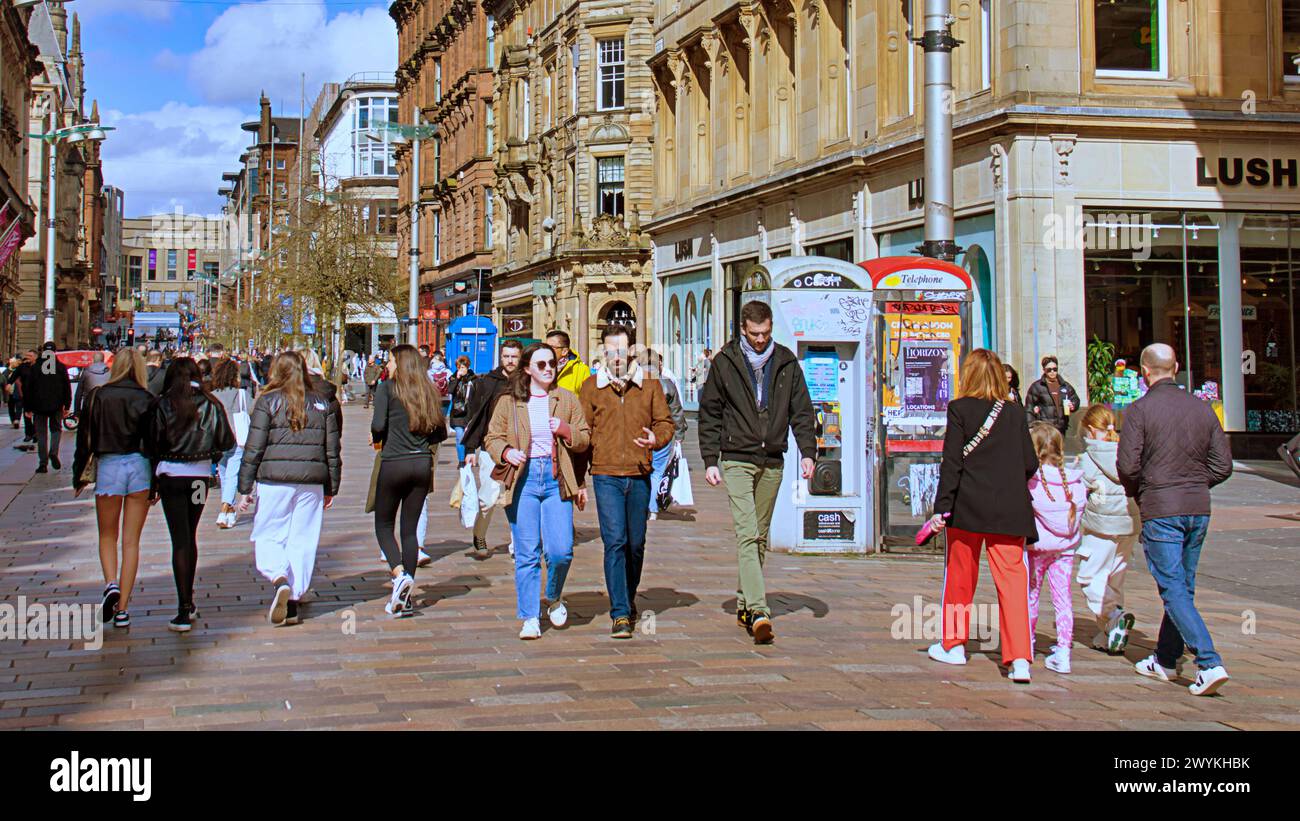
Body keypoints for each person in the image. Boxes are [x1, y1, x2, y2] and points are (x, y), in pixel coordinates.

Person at [697, 301, 817, 644]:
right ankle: (760, 611)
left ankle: (743, 602)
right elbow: (710, 413)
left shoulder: (786, 362)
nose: (761, 340)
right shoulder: (725, 362)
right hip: (736, 458)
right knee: (747, 532)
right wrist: (710, 459)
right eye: (754, 334)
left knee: (760, 536)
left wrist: (808, 452)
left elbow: (802, 410)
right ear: (742, 330)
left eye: (766, 333)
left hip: (773, 459)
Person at [1118, 342, 1233, 696]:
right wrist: (1195, 483)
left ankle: (1208, 662)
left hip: (1162, 507)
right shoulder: (1203, 410)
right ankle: (1166, 659)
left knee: (1173, 588)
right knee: (1182, 585)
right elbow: (1223, 466)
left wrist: (1146, 490)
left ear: (1144, 372)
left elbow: (1127, 466)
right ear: (1177, 367)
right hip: (1197, 506)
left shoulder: (1139, 410)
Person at [925, 349, 1038, 683]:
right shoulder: (1015, 413)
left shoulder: (959, 409)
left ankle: (954, 645)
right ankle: (1019, 659)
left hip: (968, 507)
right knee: (1013, 582)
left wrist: (941, 507)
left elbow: (952, 464)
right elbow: (1030, 462)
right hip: (1010, 509)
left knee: (960, 578)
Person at [485, 342, 590, 639]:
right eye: (541, 364)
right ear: (528, 369)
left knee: (561, 551)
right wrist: (506, 452)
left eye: (552, 364)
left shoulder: (566, 400)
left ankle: (553, 595)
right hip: (524, 479)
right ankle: (529, 615)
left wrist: (565, 429)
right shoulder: (510, 401)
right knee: (527, 553)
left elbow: (583, 438)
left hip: (556, 479)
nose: (548, 369)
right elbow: (491, 437)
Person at [579, 325, 674, 639]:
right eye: (609, 351)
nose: (615, 357)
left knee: (636, 544)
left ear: (631, 351)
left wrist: (655, 438)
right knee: (615, 541)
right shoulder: (592, 387)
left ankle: (628, 597)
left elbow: (665, 423)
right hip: (605, 474)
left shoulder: (649, 386)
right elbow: (583, 434)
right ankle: (620, 612)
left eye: (620, 351)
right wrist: (578, 480)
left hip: (639, 472)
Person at [238, 351, 341, 627]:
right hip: (311, 482)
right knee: (303, 539)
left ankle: (278, 577)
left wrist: (245, 484)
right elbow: (332, 449)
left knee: (269, 534)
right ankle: (293, 599)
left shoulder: (267, 401)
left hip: (274, 480)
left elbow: (254, 446)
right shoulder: (322, 403)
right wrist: (332, 484)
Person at [144, 357, 235, 632]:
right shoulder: (210, 403)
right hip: (198, 478)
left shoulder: (161, 404)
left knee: (179, 540)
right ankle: (188, 603)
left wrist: (152, 484)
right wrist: (211, 454)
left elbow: (151, 443)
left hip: (171, 476)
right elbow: (227, 442)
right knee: (190, 535)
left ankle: (184, 608)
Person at [72, 348, 154, 629]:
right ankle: (123, 609)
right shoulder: (147, 398)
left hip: (109, 466)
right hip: (140, 466)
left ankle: (110, 584)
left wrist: (78, 476)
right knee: (131, 541)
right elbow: (156, 443)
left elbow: (84, 439)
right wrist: (156, 484)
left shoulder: (98, 397)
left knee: (107, 535)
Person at [371, 344, 446, 617]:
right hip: (421, 463)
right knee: (409, 531)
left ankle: (399, 573)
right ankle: (407, 596)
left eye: (390, 360)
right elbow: (441, 433)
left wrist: (379, 437)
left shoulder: (387, 389)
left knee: (383, 524)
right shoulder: (428, 391)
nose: (388, 365)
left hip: (394, 462)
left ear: (400, 363)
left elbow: (378, 425)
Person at [1076, 403, 1140, 655]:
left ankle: (1114, 617)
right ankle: (1110, 633)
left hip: (1101, 526)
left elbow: (1078, 490)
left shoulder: (1089, 457)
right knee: (1114, 579)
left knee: (1090, 577)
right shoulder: (1128, 452)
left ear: (1091, 429)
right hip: (1128, 525)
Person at [1026, 421, 1086, 675]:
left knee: (1030, 597)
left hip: (1038, 549)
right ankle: (1063, 651)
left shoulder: (1033, 482)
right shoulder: (1075, 482)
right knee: (1063, 599)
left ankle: (1026, 645)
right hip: (1065, 549)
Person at [461, 339, 524, 558]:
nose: (509, 361)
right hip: (491, 447)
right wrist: (470, 449)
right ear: (501, 357)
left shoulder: (526, 381)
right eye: (506, 356)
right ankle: (479, 534)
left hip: (520, 450)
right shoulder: (488, 382)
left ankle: (518, 543)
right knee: (488, 499)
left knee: (516, 499)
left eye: (514, 356)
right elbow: (477, 417)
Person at [645, 348, 687, 522]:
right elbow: (676, 412)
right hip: (664, 434)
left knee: (644, 472)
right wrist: (679, 435)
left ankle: (644, 506)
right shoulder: (667, 384)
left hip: (642, 434)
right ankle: (652, 508)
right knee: (657, 472)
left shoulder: (636, 385)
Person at [210, 358, 252, 529]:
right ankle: (224, 508)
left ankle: (230, 512)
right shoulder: (242, 394)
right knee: (232, 474)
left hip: (219, 439)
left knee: (226, 474)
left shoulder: (213, 396)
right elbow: (251, 411)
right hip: (238, 438)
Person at [21, 342, 72, 474]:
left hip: (39, 406)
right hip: (56, 405)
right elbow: (67, 387)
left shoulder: (36, 367)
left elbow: (28, 389)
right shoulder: (60, 367)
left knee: (42, 433)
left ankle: (42, 464)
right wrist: (67, 405)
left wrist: (27, 408)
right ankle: (53, 452)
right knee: (56, 430)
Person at [1026, 355, 1081, 435]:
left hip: (1061, 427)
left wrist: (1073, 405)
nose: (1052, 372)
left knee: (1059, 447)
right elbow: (1029, 407)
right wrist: (1030, 426)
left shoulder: (1064, 385)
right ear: (1044, 370)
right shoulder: (1037, 386)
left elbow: (1075, 399)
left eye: (1055, 369)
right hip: (1044, 428)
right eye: (1049, 370)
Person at [446, 356, 475, 466]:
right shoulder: (453, 378)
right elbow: (450, 390)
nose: (461, 369)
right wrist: (457, 378)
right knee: (460, 437)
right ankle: (461, 460)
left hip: (470, 412)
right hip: (458, 413)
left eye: (463, 367)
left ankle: (468, 456)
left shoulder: (474, 379)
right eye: (459, 367)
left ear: (468, 367)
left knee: (469, 436)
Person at [546, 329, 591, 395]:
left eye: (551, 347)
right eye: (545, 346)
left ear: (564, 351)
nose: (546, 350)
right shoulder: (539, 367)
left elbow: (587, 399)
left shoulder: (581, 370)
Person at [75, 351, 112, 416]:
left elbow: (78, 393)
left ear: (93, 360)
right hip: (104, 407)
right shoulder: (110, 373)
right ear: (103, 360)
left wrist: (77, 412)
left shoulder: (86, 372)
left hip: (88, 406)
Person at [5, 355, 24, 430]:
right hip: (9, 393)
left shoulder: (20, 371)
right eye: (13, 363)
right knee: (11, 408)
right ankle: (13, 421)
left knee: (19, 407)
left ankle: (17, 420)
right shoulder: (6, 371)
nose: (15, 364)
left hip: (18, 392)